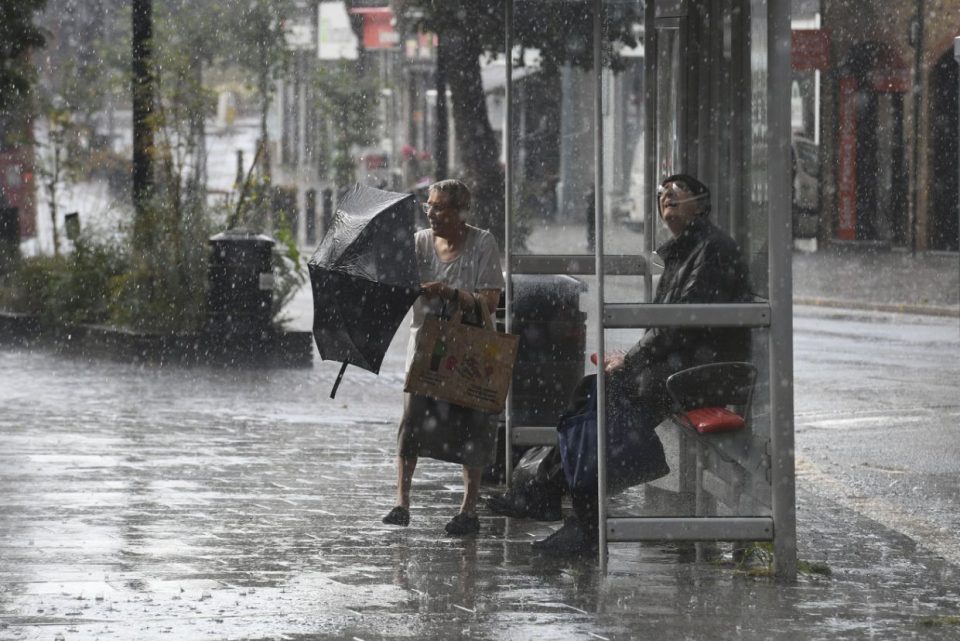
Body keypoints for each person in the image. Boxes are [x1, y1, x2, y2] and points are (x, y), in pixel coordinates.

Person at [532, 173, 753, 556]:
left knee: (611, 399)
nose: (665, 198)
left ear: (701, 205)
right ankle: (553, 491)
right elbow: (668, 326)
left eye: (676, 194)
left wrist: (632, 360)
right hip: (686, 366)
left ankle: (569, 508)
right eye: (661, 194)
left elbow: (680, 324)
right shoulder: (686, 248)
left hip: (707, 372)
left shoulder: (710, 249)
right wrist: (631, 360)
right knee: (595, 391)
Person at [382, 179, 505, 536]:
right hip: (426, 349)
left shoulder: (482, 243)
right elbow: (398, 286)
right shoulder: (419, 244)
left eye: (439, 208)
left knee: (473, 425)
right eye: (429, 207)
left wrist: (451, 293)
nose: (432, 214)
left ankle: (469, 509)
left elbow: (490, 301)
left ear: (460, 212)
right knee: (412, 423)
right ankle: (401, 503)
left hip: (471, 349)